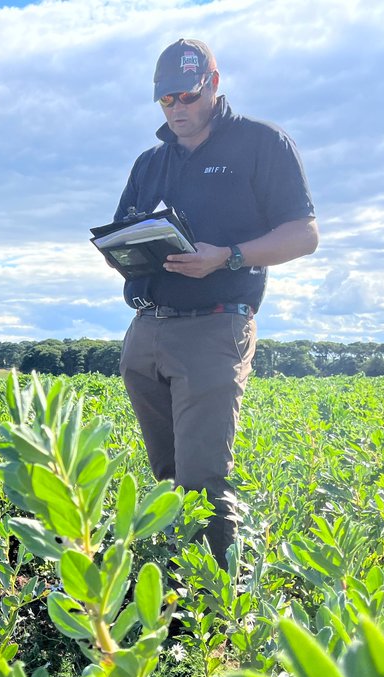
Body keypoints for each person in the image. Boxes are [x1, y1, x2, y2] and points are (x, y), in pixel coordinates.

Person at [113, 38, 318, 566]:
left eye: (187, 95)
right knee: (166, 475)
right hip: (147, 327)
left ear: (214, 84)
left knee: (203, 481)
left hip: (214, 326)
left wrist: (226, 257)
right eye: (166, 101)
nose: (177, 108)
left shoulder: (261, 143)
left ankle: (217, 617)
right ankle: (173, 586)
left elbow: (303, 236)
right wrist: (127, 252)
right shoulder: (150, 162)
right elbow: (124, 233)